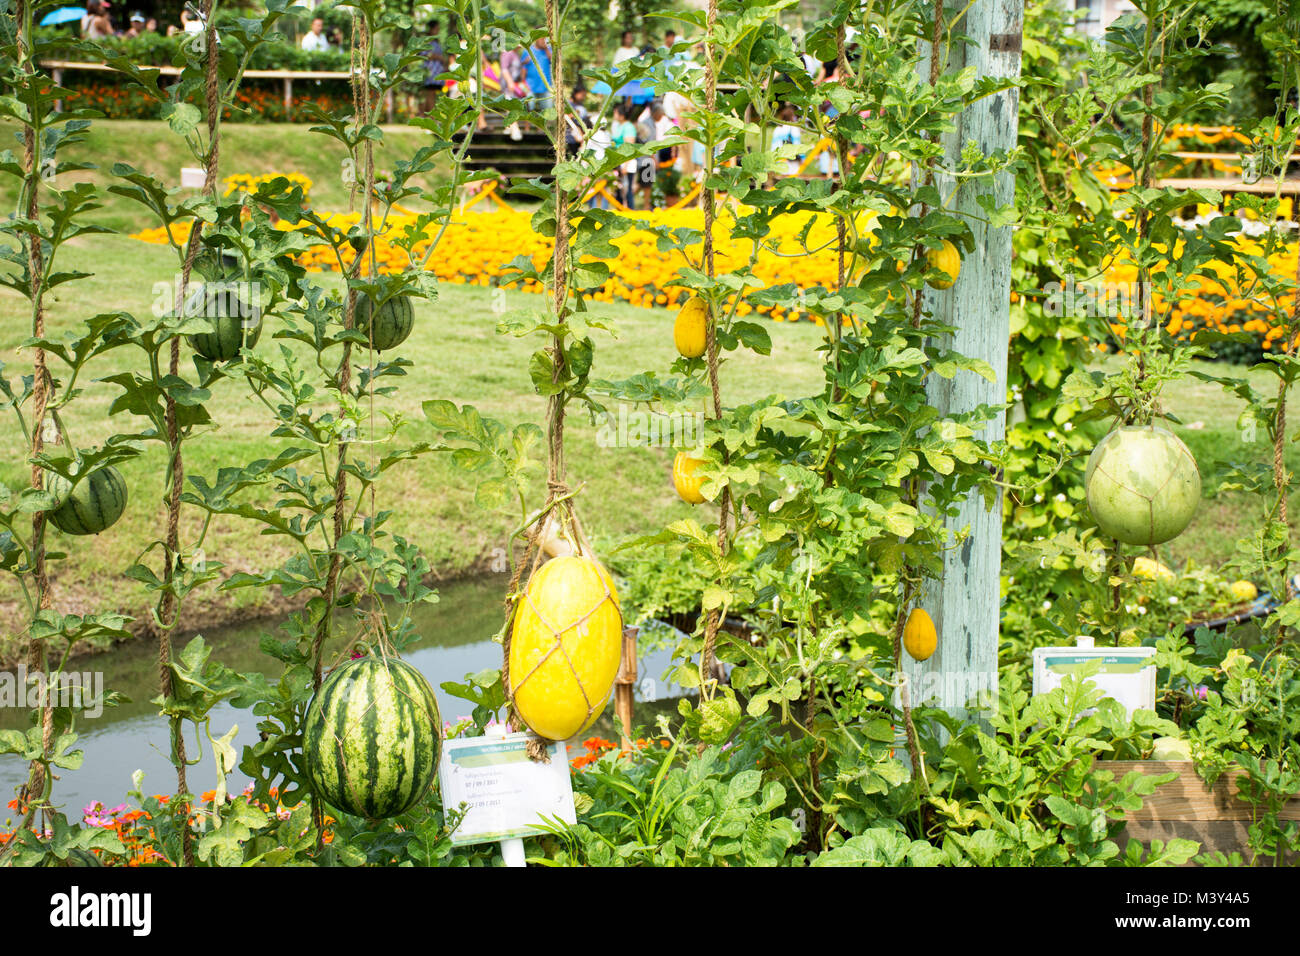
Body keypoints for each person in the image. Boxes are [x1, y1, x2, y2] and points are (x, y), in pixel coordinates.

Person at [611, 105, 638, 208]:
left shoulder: (628, 127)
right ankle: (620, 209)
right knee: (618, 188)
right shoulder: (619, 126)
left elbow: (630, 146)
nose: (614, 115)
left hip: (627, 162)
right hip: (618, 160)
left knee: (627, 189)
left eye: (615, 113)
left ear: (622, 115)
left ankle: (630, 210)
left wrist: (626, 165)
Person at [421, 22, 446, 111]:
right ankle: (430, 116)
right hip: (430, 72)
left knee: (433, 94)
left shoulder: (436, 42)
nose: (437, 31)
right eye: (436, 29)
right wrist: (439, 57)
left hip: (437, 72)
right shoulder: (426, 41)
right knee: (430, 94)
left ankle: (429, 115)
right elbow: (425, 55)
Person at [524, 37, 552, 113]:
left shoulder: (548, 50)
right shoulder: (528, 50)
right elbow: (523, 68)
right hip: (530, 86)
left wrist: (546, 48)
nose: (543, 41)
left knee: (548, 112)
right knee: (529, 110)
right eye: (541, 38)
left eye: (545, 39)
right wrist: (523, 83)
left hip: (546, 87)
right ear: (536, 39)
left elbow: (553, 61)